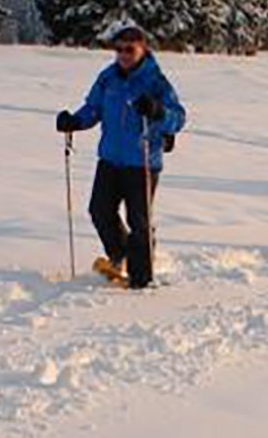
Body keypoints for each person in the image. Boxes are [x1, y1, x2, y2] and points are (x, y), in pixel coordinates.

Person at [54, 26, 186, 289]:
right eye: (119, 49)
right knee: (99, 210)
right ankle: (121, 253)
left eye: (130, 49)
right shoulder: (108, 78)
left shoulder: (156, 82)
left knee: (139, 220)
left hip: (142, 161)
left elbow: (178, 118)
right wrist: (74, 122)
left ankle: (142, 278)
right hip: (111, 158)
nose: (123, 55)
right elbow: (93, 108)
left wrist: (157, 110)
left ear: (142, 49)